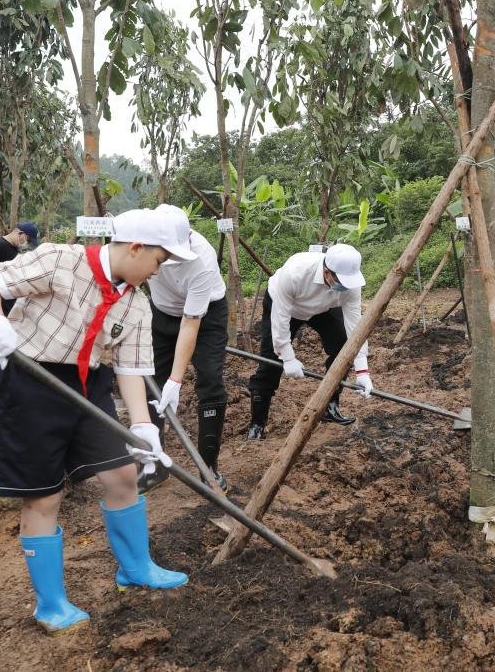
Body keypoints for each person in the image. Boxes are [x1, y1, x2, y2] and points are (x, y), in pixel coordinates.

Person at [0, 207, 197, 634]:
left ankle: (136, 568)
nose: (158, 272)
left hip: (90, 385)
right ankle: (51, 604)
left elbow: (130, 371)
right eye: (159, 261)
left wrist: (144, 428)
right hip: (32, 382)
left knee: (122, 476)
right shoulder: (60, 260)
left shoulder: (136, 305)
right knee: (43, 497)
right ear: (135, 247)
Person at [137, 204, 230, 494]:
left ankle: (208, 467)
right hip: (162, 312)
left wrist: (176, 381)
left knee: (210, 380)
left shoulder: (201, 260)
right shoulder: (142, 240)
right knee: (151, 382)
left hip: (206, 314)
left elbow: (191, 324)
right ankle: (155, 465)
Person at [245, 244, 373, 438]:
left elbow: (356, 329)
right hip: (286, 306)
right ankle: (257, 424)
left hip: (324, 309)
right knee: (271, 362)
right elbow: (280, 319)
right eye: (340, 281)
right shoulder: (295, 272)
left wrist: (362, 370)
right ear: (326, 271)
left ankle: (330, 405)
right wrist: (287, 357)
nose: (345, 287)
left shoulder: (350, 286)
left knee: (341, 349)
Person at [0, 221, 41, 316]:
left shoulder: (14, 249)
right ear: (21, 233)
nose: (27, 243)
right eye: (28, 240)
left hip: (10, 301)